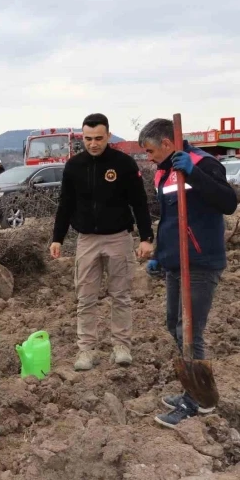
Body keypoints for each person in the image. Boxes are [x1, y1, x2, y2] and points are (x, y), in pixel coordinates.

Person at [137, 119, 237, 429]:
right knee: (174, 324)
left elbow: (229, 202)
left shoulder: (201, 163)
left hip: (201, 261)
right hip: (176, 262)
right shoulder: (164, 172)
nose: (148, 157)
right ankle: (191, 389)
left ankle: (198, 401)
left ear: (168, 143)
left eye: (150, 150)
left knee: (190, 330)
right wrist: (161, 257)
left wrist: (194, 174)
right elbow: (169, 220)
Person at [50, 113, 154, 372]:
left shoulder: (124, 164)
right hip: (87, 240)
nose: (93, 143)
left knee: (121, 295)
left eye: (98, 138)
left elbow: (139, 202)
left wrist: (146, 237)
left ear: (108, 135)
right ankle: (86, 349)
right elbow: (65, 204)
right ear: (81, 138)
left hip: (119, 238)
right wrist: (57, 238)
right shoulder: (74, 166)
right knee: (85, 297)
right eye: (88, 138)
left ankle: (121, 346)